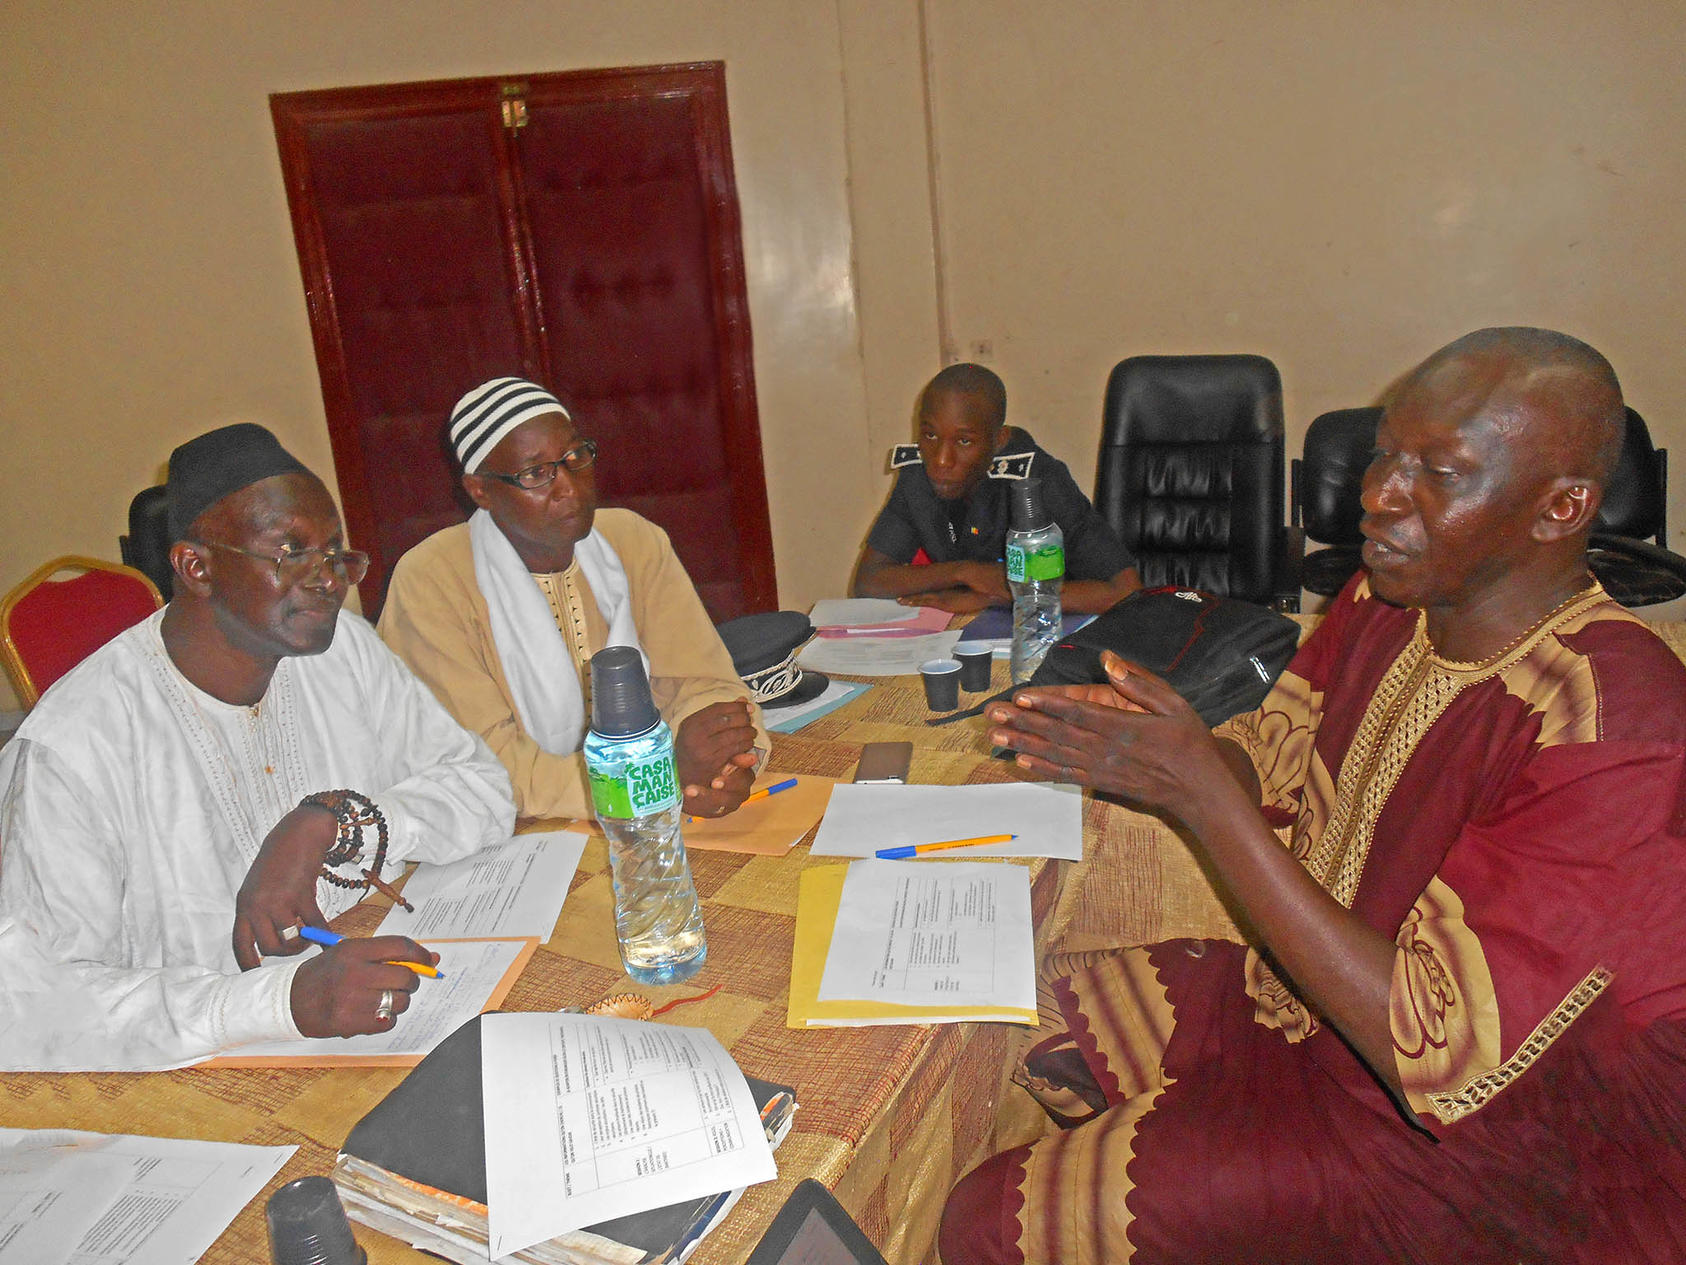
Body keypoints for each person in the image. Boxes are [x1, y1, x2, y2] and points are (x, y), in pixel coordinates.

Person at [941, 329, 1686, 1263]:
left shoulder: (1614, 718)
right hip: (1296, 1005)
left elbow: (1441, 1057)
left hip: (1485, 1149)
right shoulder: (1387, 602)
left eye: (1438, 473)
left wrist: (1201, 792)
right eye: (1385, 453)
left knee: (988, 1225)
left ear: (1561, 507)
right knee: (1008, 1005)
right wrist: (1148, 749)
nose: (1374, 495)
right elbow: (1273, 754)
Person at [0, 425, 516, 1072]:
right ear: (197, 566)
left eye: (334, 554)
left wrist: (335, 823)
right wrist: (280, 1002)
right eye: (291, 552)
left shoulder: (342, 651)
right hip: (182, 1077)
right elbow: (26, 1006)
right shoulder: (74, 748)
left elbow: (484, 789)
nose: (328, 580)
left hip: (365, 1019)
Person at [379, 377, 766, 822]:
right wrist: (655, 780)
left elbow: (705, 683)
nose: (569, 487)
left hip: (657, 807)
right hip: (509, 832)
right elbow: (480, 767)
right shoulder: (431, 579)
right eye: (534, 473)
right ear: (479, 490)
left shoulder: (632, 540)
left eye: (575, 457)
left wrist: (725, 764)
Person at [851, 363, 1141, 614]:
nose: (941, 460)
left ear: (998, 440)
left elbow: (1124, 591)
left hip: (1052, 628)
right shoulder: (917, 477)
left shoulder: (1038, 480)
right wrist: (964, 572)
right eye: (930, 435)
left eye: (964, 441)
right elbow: (868, 581)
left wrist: (996, 597)